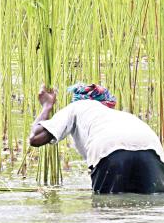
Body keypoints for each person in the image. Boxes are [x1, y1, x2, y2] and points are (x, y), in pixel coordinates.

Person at [28, 83, 164, 194]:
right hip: (152, 149)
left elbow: (35, 138)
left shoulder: (79, 105)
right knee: (150, 207)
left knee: (106, 214)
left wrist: (47, 106)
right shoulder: (123, 116)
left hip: (109, 148)